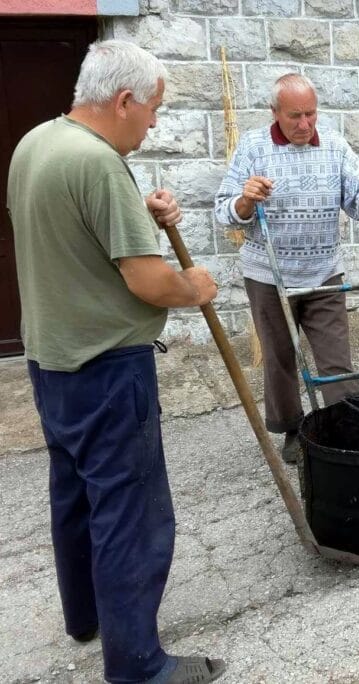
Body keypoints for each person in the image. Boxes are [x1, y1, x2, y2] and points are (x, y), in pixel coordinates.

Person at [6, 40, 225, 683]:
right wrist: (196, 287)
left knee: (74, 497)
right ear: (124, 99)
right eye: (153, 108)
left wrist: (145, 216)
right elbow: (147, 282)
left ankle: (87, 618)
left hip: (51, 361)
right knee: (131, 515)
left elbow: (75, 241)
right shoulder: (99, 165)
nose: (154, 122)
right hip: (106, 368)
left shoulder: (37, 143)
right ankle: (138, 666)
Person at [215, 73, 359, 463]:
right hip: (269, 275)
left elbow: (358, 203)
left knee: (335, 357)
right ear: (275, 113)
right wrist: (245, 202)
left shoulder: (334, 144)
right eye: (294, 116)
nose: (305, 124)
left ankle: (347, 422)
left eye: (311, 115)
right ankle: (292, 430)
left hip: (323, 273)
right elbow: (224, 211)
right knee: (280, 357)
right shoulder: (253, 146)